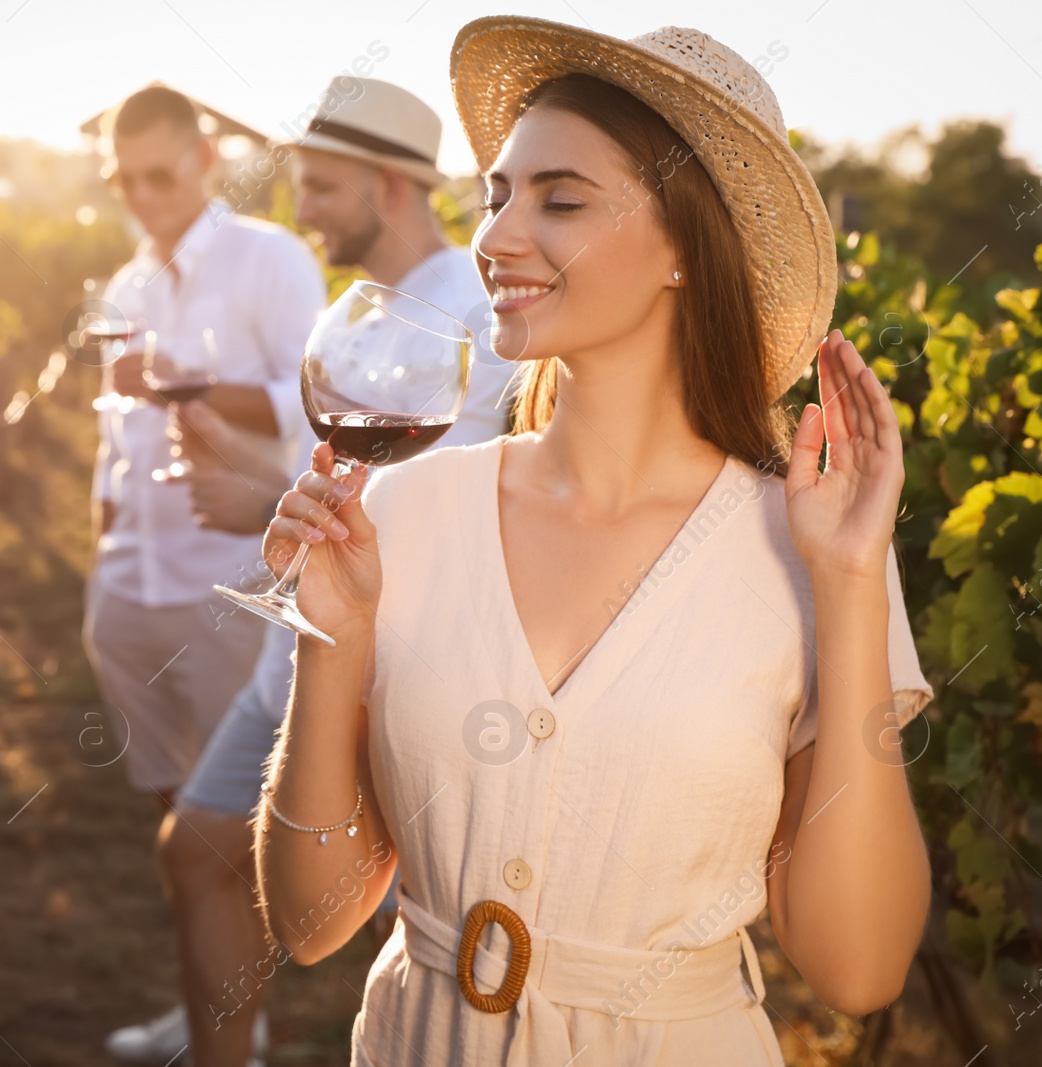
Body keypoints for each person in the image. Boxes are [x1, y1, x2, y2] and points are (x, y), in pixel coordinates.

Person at [256, 21, 936, 1066]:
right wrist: (327, 636)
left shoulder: (814, 551)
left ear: (683, 247)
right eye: (496, 196)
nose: (494, 237)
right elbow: (312, 923)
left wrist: (848, 586)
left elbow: (857, 968)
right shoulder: (407, 509)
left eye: (558, 199)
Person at [123, 78, 517, 1067]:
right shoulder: (361, 304)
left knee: (337, 894)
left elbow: (426, 498)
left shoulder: (472, 308)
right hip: (300, 640)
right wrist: (252, 472)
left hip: (391, 658)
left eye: (321, 187)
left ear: (389, 187)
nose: (302, 210)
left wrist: (256, 497)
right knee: (200, 847)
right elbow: (341, 468)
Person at [88, 85, 326, 1062]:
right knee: (172, 817)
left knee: (229, 826)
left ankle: (242, 1028)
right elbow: (113, 436)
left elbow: (308, 397)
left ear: (203, 160)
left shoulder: (270, 258)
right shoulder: (124, 284)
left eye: (159, 172)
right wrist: (100, 529)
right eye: (122, 178)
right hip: (129, 580)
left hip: (229, 580)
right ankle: (202, 1015)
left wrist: (180, 380)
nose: (141, 195)